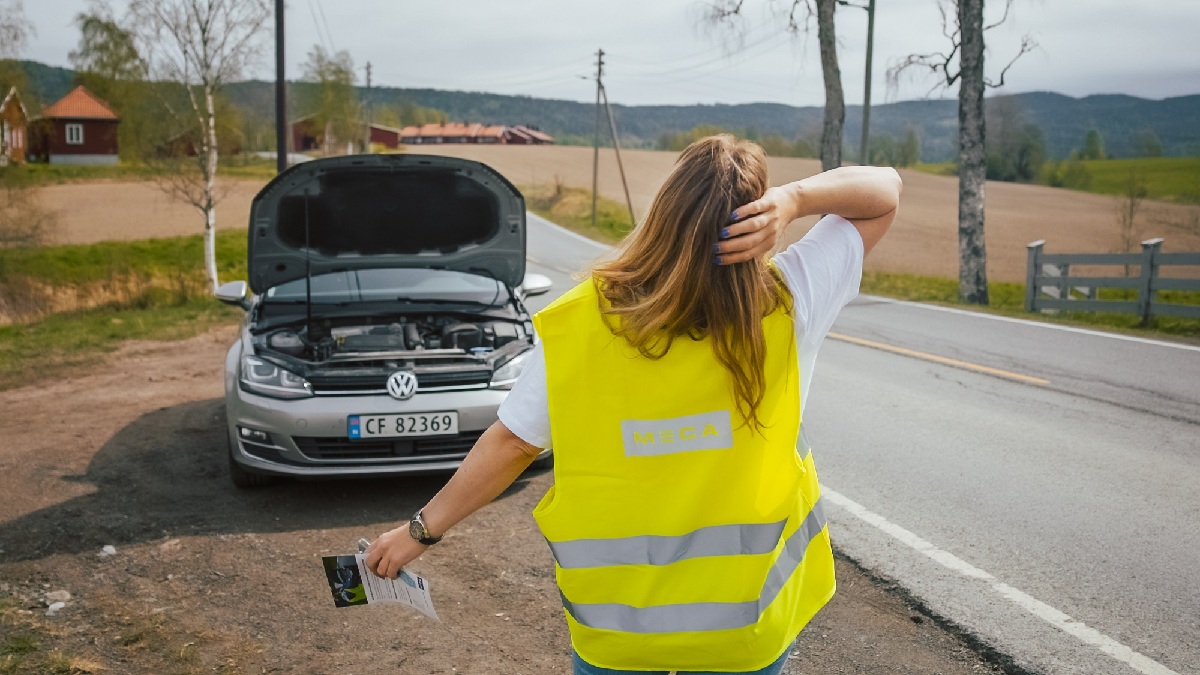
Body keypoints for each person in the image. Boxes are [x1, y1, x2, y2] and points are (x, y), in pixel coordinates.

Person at [366, 135, 902, 674]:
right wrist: (795, 199)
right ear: (756, 221)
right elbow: (885, 191)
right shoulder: (792, 301)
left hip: (617, 630)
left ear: (662, 213)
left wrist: (418, 533)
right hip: (745, 629)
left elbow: (512, 445)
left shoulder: (581, 322)